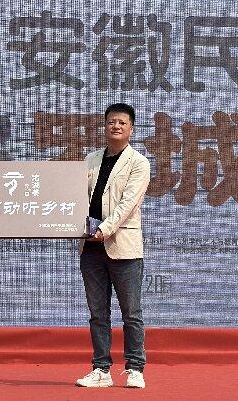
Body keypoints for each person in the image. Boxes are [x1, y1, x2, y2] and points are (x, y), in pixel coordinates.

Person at [75, 103, 150, 389]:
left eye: (122, 122)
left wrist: (104, 229)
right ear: (104, 126)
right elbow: (74, 197)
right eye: (111, 122)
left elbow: (128, 204)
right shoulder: (90, 159)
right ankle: (101, 369)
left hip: (122, 245)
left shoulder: (139, 163)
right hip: (90, 247)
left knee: (131, 313)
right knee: (98, 313)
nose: (116, 126)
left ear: (131, 129)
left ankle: (135, 368)